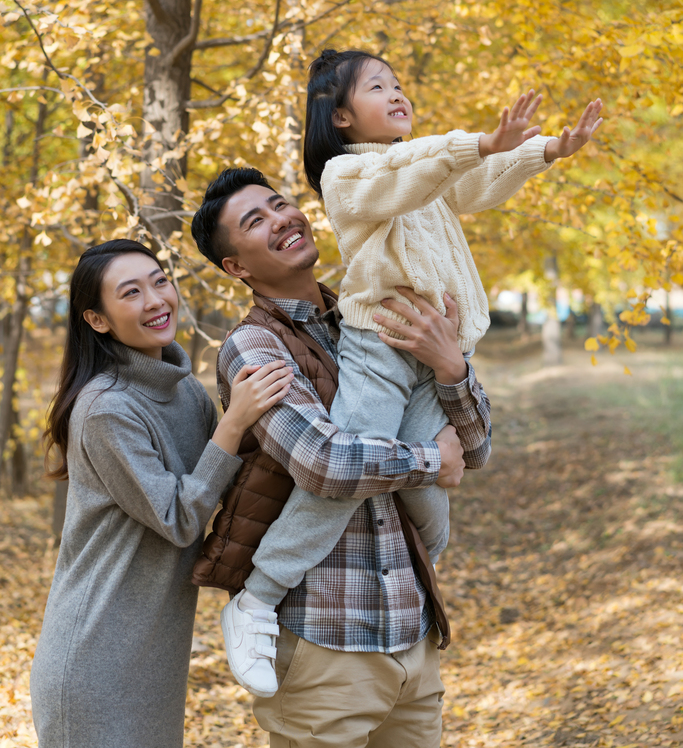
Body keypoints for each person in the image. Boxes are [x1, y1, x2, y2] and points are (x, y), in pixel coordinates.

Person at [217, 48, 604, 694]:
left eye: (398, 84)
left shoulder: (424, 165)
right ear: (340, 116)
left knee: (433, 505)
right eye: (377, 87)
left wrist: (542, 153)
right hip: (381, 343)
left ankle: (408, 585)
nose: (396, 93)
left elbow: (470, 184)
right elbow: (408, 178)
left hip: (438, 348)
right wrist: (475, 142)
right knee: (339, 482)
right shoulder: (345, 176)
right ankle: (258, 596)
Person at [191, 169, 489, 746]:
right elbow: (323, 464)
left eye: (279, 204)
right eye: (256, 221)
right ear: (237, 268)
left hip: (412, 631)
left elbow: (474, 449)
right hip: (323, 645)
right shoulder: (255, 347)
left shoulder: (371, 314)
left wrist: (451, 367)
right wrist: (429, 460)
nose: (282, 218)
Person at [30, 239, 294, 748]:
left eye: (159, 281)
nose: (155, 300)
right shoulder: (107, 408)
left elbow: (223, 482)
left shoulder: (186, 393)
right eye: (130, 292)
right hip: (94, 659)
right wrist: (234, 421)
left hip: (155, 658)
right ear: (98, 319)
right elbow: (178, 518)